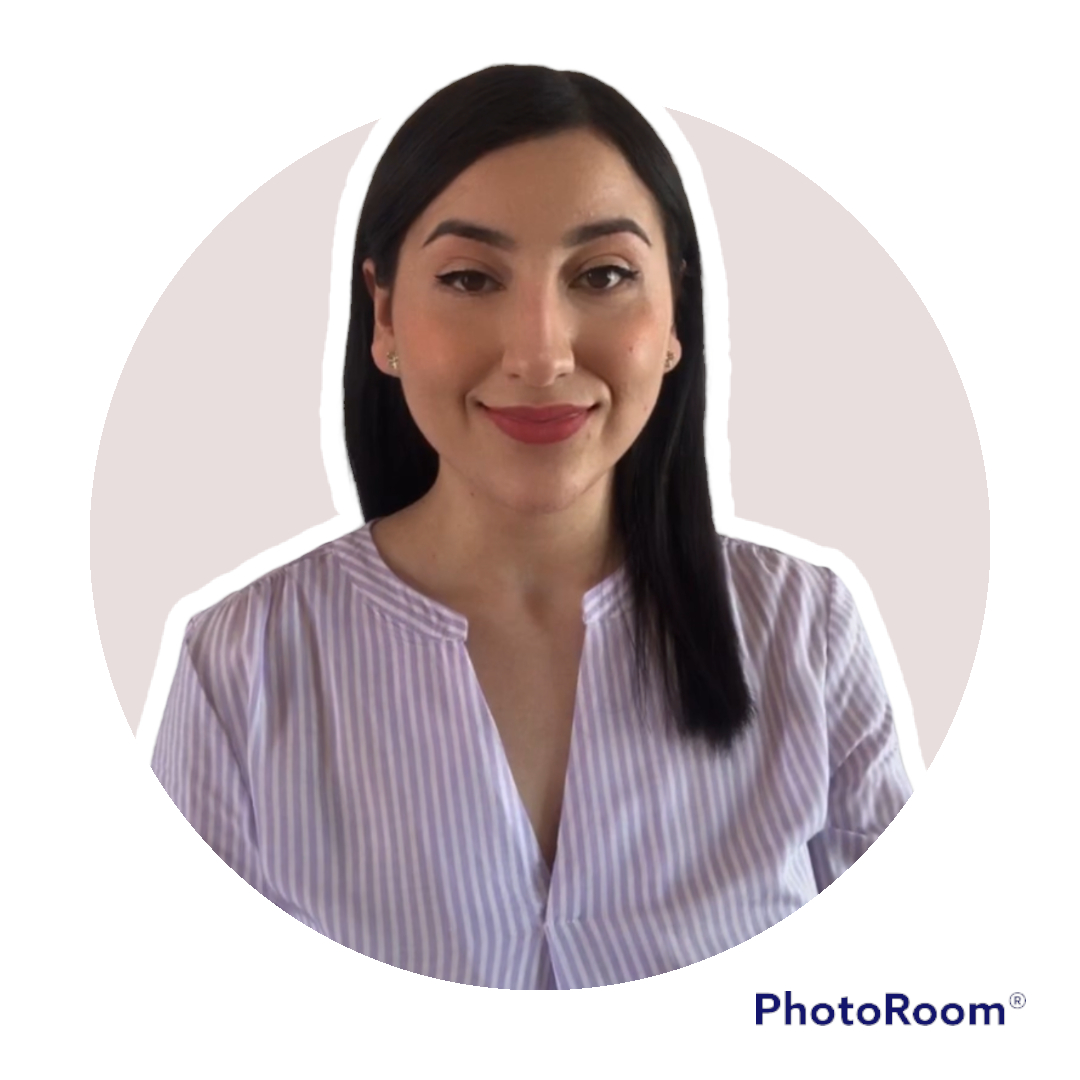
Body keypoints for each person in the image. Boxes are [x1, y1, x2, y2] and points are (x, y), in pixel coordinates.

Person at [151, 64, 912, 989]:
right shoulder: (238, 666)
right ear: (383, 315)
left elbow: (900, 993)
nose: (542, 354)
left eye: (604, 275)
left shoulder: (808, 630)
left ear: (675, 312)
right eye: (471, 278)